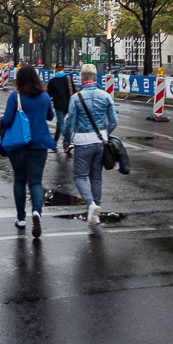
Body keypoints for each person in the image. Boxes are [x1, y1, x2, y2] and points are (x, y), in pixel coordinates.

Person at [0, 65, 55, 238]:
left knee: (19, 181)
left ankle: (21, 218)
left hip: (18, 145)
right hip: (39, 145)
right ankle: (36, 212)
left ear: (19, 79)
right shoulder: (45, 96)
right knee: (36, 182)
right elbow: (50, 116)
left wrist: (2, 132)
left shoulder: (15, 97)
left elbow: (7, 120)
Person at [65, 64, 118, 228]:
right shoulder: (106, 96)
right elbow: (114, 121)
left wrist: (67, 140)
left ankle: (91, 205)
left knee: (80, 177)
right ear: (96, 78)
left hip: (82, 140)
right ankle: (96, 214)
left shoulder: (76, 98)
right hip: (100, 140)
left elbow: (70, 123)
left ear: (82, 78)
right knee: (96, 177)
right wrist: (105, 134)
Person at [46, 63, 76, 152]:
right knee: (60, 124)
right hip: (69, 104)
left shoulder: (53, 81)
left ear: (56, 70)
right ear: (64, 69)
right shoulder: (69, 79)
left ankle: (67, 143)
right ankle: (55, 143)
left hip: (58, 105)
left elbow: (49, 94)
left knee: (61, 124)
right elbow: (74, 91)